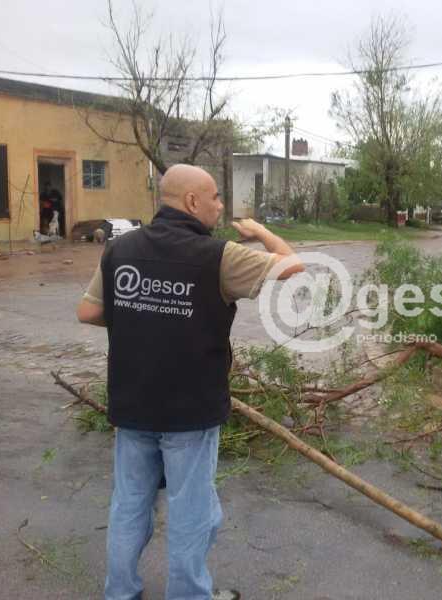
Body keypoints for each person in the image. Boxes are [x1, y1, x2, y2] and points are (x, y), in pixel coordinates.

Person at [76, 164, 304, 600]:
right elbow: (293, 265)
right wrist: (259, 231)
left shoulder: (121, 249)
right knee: (191, 514)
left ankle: (120, 592)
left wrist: (142, 313)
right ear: (192, 201)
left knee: (129, 507)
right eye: (215, 197)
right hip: (190, 411)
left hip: (132, 405)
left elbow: (87, 312)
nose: (220, 205)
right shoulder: (219, 256)